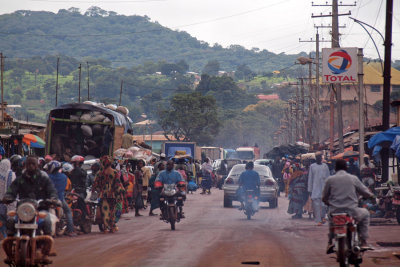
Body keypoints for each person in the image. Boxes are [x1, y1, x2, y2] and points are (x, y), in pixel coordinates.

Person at [2, 155, 59, 264]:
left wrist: (53, 199)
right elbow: (12, 190)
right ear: (25, 165)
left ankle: (46, 252)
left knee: (47, 221)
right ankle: (10, 252)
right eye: (29, 164)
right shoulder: (20, 180)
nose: (31, 166)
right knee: (10, 221)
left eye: (33, 164)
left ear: (38, 165)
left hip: (39, 209)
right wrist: (8, 197)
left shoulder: (44, 179)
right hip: (23, 211)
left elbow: (52, 190)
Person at [323, 159, 374, 250]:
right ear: (346, 168)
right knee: (365, 213)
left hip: (335, 211)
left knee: (331, 221)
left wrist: (329, 203)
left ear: (335, 168)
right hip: (352, 211)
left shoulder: (330, 180)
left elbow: (324, 197)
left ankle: (330, 241)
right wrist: (371, 196)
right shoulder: (353, 178)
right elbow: (365, 191)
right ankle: (363, 241)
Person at [92, 156, 125, 233]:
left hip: (103, 195)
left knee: (105, 210)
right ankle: (112, 226)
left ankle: (106, 227)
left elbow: (95, 184)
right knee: (112, 211)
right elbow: (117, 184)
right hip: (112, 195)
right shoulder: (115, 172)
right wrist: (119, 194)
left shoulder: (100, 173)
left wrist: (97, 189)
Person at [47, 161, 76, 237]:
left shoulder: (48, 176)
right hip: (60, 198)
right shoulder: (64, 177)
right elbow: (66, 188)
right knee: (68, 212)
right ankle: (70, 231)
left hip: (48, 198)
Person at [308, 152, 330, 225]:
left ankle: (322, 217)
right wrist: (310, 190)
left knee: (324, 205)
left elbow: (328, 178)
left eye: (320, 157)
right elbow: (310, 178)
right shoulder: (312, 166)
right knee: (316, 205)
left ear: (321, 158)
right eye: (317, 157)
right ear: (316, 158)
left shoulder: (325, 166)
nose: (319, 158)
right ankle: (318, 220)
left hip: (324, 188)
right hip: (315, 188)